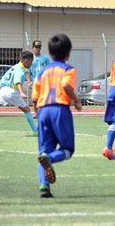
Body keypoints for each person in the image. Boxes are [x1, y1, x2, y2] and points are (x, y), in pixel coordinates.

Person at [32, 34, 82, 198]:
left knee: (43, 150)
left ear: (50, 53)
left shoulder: (42, 72)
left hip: (43, 111)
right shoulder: (68, 69)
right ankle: (50, 159)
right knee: (67, 149)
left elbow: (34, 96)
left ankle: (44, 186)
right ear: (68, 53)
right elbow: (66, 85)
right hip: (59, 109)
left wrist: (35, 111)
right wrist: (76, 100)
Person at [29, 40, 51, 118]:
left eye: (39, 47)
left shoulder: (45, 58)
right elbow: (27, 72)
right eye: (36, 47)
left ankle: (44, 113)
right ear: (33, 48)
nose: (38, 49)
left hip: (44, 81)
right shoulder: (30, 59)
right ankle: (35, 113)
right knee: (35, 99)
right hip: (35, 81)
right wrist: (29, 81)